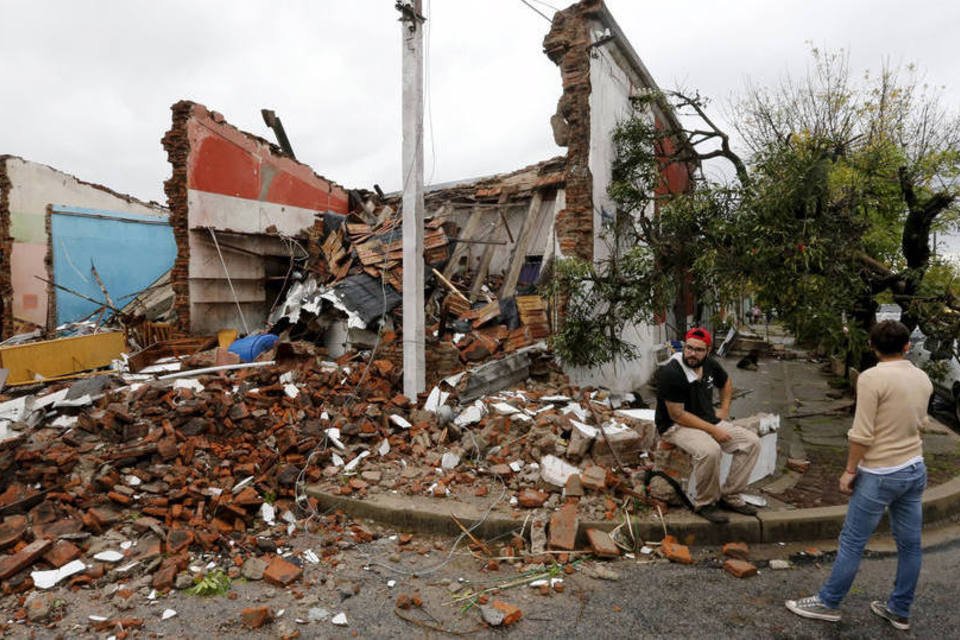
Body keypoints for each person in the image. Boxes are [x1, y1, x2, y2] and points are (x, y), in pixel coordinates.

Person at [785, 320, 932, 631]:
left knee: (852, 541)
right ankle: (899, 609)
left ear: (871, 346)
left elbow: (862, 433)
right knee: (910, 545)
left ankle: (829, 602)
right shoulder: (922, 378)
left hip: (880, 471)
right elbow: (923, 424)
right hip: (914, 468)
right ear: (907, 346)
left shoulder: (871, 378)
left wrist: (850, 470)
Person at [654, 327, 761, 524]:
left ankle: (730, 496)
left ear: (708, 350)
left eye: (698, 350)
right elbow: (677, 415)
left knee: (751, 442)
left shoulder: (710, 364)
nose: (692, 354)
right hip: (676, 426)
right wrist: (714, 430)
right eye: (689, 348)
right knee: (710, 451)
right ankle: (705, 503)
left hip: (707, 419)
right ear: (684, 346)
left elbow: (726, 382)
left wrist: (725, 409)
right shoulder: (671, 372)